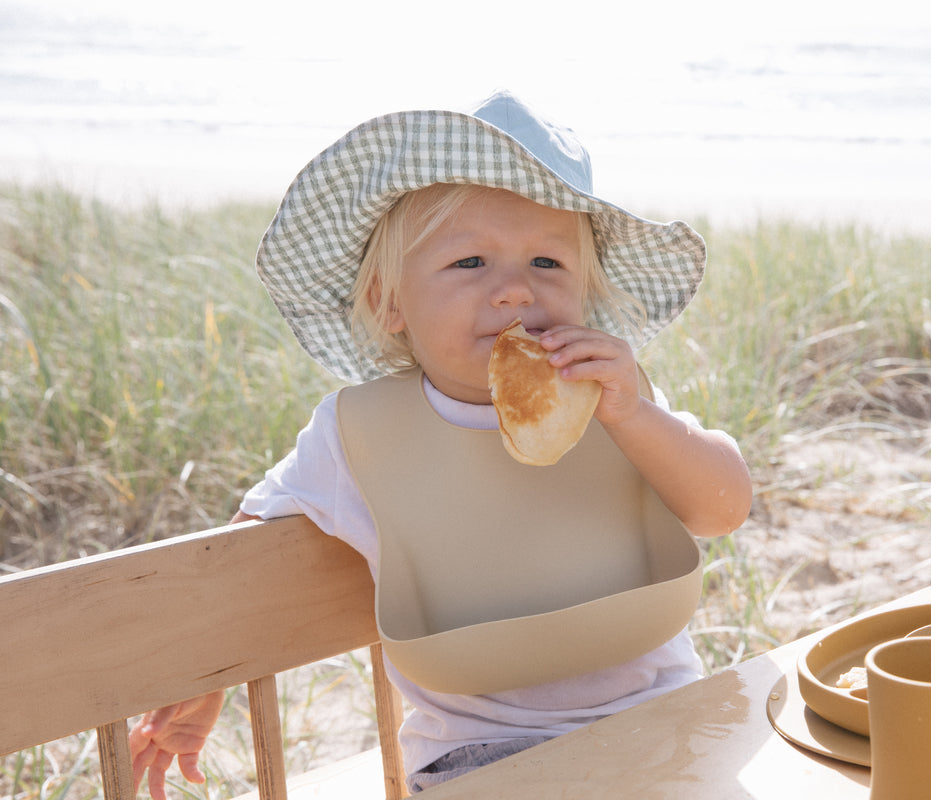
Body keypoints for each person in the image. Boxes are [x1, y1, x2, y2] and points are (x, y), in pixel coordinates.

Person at [128, 90, 752, 797]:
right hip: (477, 757)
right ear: (390, 305)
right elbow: (242, 554)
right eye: (470, 263)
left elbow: (722, 507)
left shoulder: (615, 398)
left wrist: (637, 416)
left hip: (658, 720)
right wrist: (208, 679)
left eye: (548, 263)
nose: (516, 291)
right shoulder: (360, 432)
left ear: (588, 293)